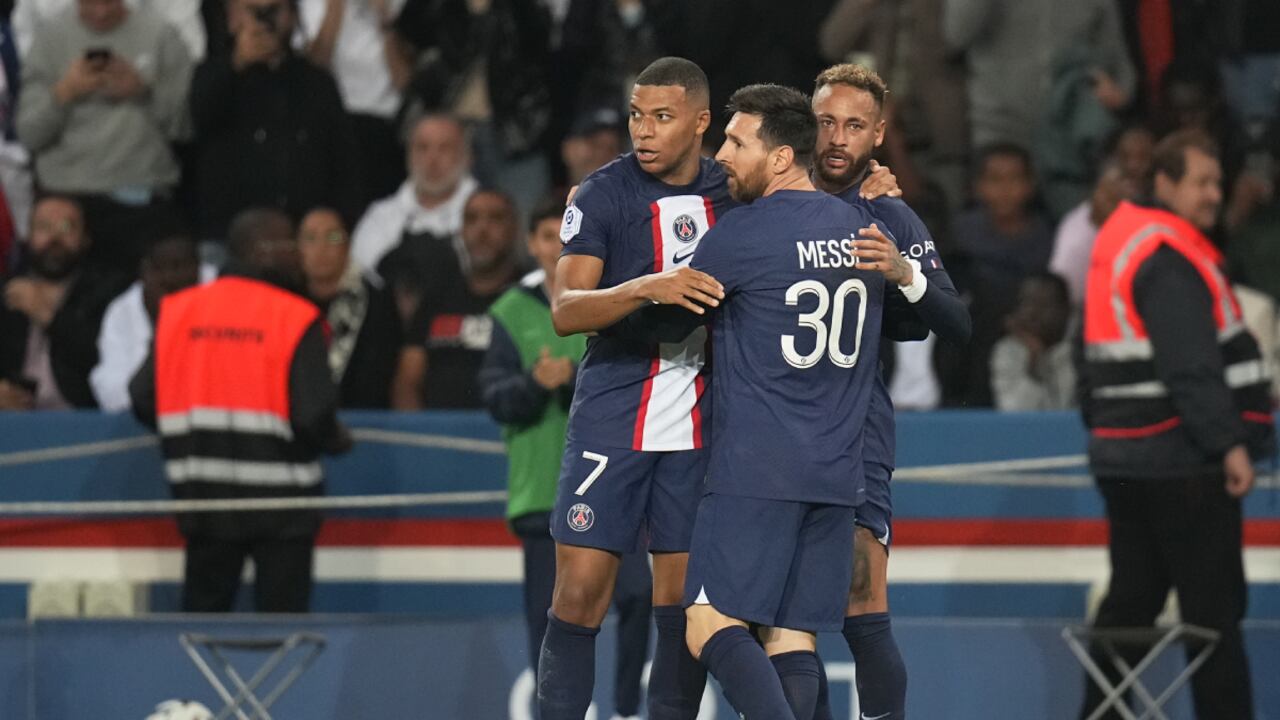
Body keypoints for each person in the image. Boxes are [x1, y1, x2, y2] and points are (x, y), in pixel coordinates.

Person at [538, 56, 899, 720]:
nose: (643, 132)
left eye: (663, 117)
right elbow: (566, 307)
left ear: (702, 123)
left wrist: (871, 192)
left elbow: (806, 199)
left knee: (682, 610)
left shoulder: (734, 188)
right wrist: (647, 284)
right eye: (636, 116)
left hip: (704, 426)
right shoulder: (602, 194)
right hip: (616, 414)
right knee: (580, 595)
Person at [637, 82, 884, 719]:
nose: (722, 154)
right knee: (788, 635)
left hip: (756, 469)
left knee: (705, 621)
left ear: (779, 159)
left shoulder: (741, 235)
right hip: (835, 473)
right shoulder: (861, 227)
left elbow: (667, 319)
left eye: (737, 141)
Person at [1077, 130, 1275, 719]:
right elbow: (1191, 365)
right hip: (1183, 461)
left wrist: (1105, 430)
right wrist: (1230, 446)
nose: (1215, 194)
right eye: (1202, 182)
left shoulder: (1121, 244)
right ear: (1164, 183)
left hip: (1125, 459)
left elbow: (1088, 357)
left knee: (1131, 605)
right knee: (1214, 616)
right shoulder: (1167, 254)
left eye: (1218, 182)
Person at [809, 62, 971, 720]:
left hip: (853, 434)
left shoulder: (887, 214)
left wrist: (905, 273)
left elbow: (955, 322)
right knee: (769, 619)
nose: (837, 139)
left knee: (857, 601)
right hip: (760, 434)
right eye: (825, 123)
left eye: (854, 126)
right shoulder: (761, 198)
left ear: (878, 135)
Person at [129, 207, 351, 613]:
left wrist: (190, 433)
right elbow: (312, 415)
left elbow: (141, 396)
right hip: (283, 508)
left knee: (203, 629)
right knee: (283, 635)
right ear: (262, 250)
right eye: (291, 244)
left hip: (205, 500)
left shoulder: (179, 311)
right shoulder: (295, 317)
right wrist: (338, 440)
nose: (300, 255)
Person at [479, 198, 652, 720]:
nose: (558, 245)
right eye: (548, 236)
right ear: (532, 244)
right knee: (547, 620)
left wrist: (571, 378)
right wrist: (535, 384)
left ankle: (624, 708)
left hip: (613, 484)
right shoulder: (510, 312)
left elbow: (634, 378)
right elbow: (494, 396)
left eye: (566, 234)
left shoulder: (609, 300)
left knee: (640, 595)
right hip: (541, 491)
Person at [15, 0, 192, 277]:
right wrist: (64, 93)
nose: (100, 12)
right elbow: (29, 134)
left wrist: (143, 90)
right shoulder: (49, 40)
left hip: (140, 199)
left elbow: (186, 127)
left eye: (108, 2)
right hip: (66, 199)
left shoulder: (161, 35)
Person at [189, 0, 363, 242]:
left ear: (292, 15)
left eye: (274, 9)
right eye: (254, 11)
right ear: (231, 17)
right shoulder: (211, 75)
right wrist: (237, 64)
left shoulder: (316, 83)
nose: (264, 20)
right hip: (231, 236)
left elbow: (343, 164)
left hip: (303, 238)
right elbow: (197, 120)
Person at [390, 187, 522, 410]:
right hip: (439, 435)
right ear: (461, 231)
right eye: (471, 219)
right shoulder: (436, 298)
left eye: (495, 219)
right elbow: (407, 382)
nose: (482, 230)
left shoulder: (531, 297)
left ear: (514, 230)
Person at [945, 142, 1054, 407]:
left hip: (1024, 334)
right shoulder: (961, 232)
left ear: (1030, 185)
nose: (1005, 190)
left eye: (1014, 179)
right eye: (995, 180)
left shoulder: (1045, 236)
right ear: (978, 186)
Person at [0, 195, 126, 409]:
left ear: (85, 239)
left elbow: (107, 361)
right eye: (44, 226)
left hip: (84, 419)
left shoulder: (110, 291)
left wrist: (47, 316)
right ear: (28, 236)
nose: (55, 237)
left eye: (67, 227)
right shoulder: (6, 290)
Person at [298, 0, 414, 204]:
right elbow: (313, 70)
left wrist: (385, 21)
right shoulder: (307, 5)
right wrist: (335, 8)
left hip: (385, 123)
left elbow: (404, 81)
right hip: (333, 124)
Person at [350, 113, 478, 280]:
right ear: (408, 155)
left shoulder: (489, 214)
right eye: (423, 148)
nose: (432, 160)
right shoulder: (380, 218)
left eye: (444, 148)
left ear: (466, 156)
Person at [298, 206, 400, 409]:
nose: (322, 248)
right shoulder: (286, 301)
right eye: (311, 238)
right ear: (298, 248)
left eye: (333, 237)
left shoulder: (376, 302)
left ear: (347, 245)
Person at [91, 234, 206, 412]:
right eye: (159, 268)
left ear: (199, 270)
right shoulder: (122, 311)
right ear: (144, 271)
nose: (169, 278)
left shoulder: (221, 298)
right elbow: (111, 389)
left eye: (179, 266)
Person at [990, 272, 1074, 411]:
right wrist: (1034, 360)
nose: (1033, 313)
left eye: (1044, 305)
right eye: (1027, 303)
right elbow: (1014, 414)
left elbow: (1066, 408)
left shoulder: (1080, 350)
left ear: (1066, 309)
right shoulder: (1007, 351)